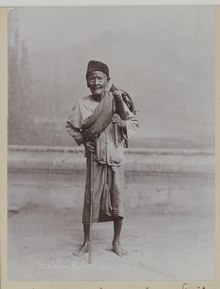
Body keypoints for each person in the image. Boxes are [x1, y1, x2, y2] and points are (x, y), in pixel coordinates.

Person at [66, 60, 139, 257]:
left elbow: (134, 122)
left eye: (100, 78)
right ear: (87, 82)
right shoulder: (82, 104)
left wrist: (122, 122)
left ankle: (116, 242)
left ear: (107, 80)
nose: (96, 82)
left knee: (117, 199)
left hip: (115, 157)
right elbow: (71, 126)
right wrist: (82, 140)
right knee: (91, 199)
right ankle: (87, 242)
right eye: (92, 78)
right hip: (95, 158)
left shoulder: (117, 100)